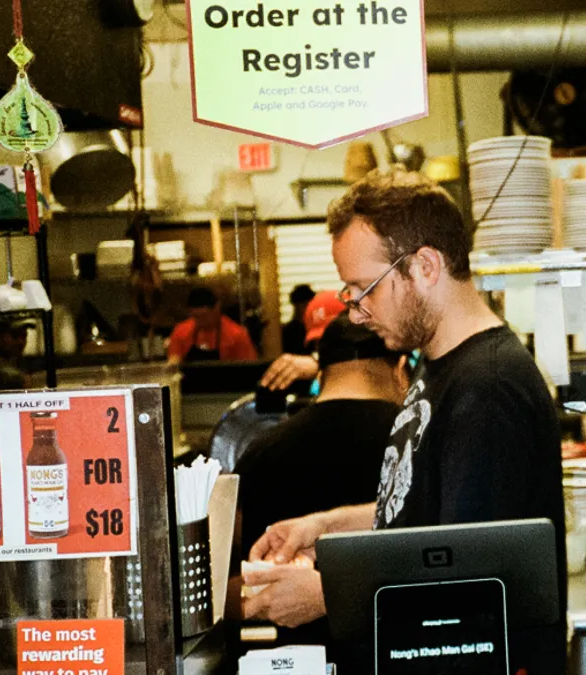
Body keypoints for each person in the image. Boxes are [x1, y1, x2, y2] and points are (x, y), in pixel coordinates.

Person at [243, 170, 565, 672]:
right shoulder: (437, 366)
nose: (355, 313)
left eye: (363, 289)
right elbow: (423, 511)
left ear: (426, 266)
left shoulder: (487, 388)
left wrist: (329, 594)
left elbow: (466, 575)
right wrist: (327, 528)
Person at [237, 314, 408, 645]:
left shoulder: (259, 451)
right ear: (401, 369)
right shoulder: (415, 442)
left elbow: (238, 576)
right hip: (394, 648)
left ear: (320, 372)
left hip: (283, 659)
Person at [261, 290, 345, 392]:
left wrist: (321, 366)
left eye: (334, 339)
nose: (324, 347)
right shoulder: (291, 331)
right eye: (318, 342)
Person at [167, 287, 258, 364]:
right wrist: (174, 363)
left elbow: (248, 368)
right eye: (195, 317)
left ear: (217, 308)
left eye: (204, 316)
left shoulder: (237, 334)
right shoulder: (180, 331)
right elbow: (174, 361)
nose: (200, 321)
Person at [282, 284, 317, 355]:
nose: (306, 308)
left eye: (309, 304)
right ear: (295, 305)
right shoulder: (287, 331)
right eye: (303, 304)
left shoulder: (316, 329)